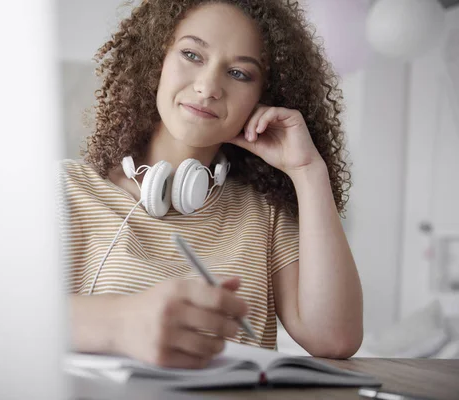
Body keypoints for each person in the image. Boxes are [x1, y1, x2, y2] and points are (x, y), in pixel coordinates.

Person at [61, 0, 363, 369]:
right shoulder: (70, 189)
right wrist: (119, 322)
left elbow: (335, 339)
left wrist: (307, 170)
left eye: (239, 74)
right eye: (191, 54)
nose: (208, 88)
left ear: (262, 99)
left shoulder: (266, 214)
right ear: (157, 60)